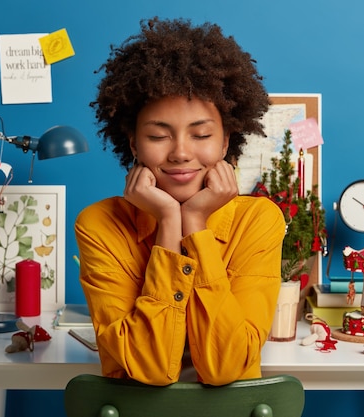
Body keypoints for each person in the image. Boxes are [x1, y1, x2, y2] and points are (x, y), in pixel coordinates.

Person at [75, 17, 285, 386]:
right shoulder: (99, 223)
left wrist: (197, 224)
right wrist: (171, 222)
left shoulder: (259, 220)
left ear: (225, 142)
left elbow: (226, 367)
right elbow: (149, 368)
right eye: (159, 136)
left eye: (201, 134)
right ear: (134, 143)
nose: (181, 153)